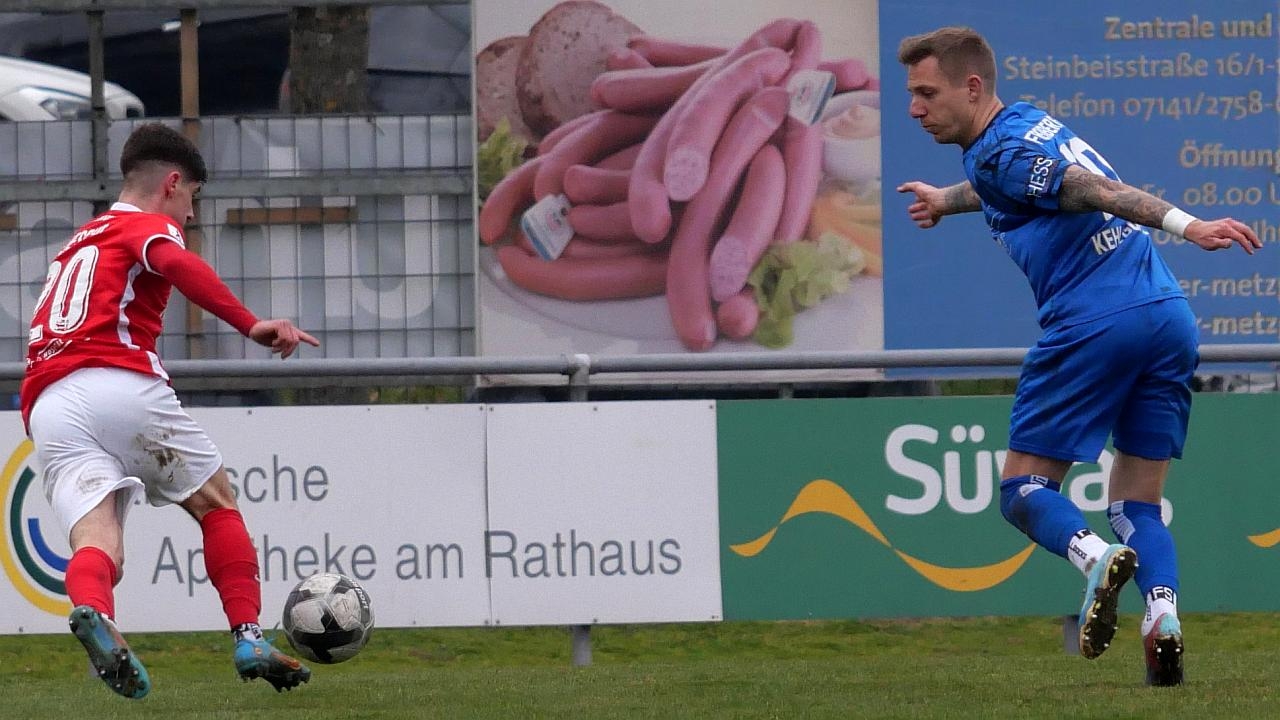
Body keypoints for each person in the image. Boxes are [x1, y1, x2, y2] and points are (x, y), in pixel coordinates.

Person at [894, 27, 1261, 686]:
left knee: (1022, 490)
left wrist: (1190, 225)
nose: (915, 109)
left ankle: (1094, 558)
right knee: (1137, 506)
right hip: (1167, 316)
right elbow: (1009, 186)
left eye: (926, 93)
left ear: (971, 87)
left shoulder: (1001, 152)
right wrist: (945, 201)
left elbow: (1093, 190)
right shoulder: (1022, 127)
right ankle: (1163, 617)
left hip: (1097, 322)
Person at [21, 123, 321, 698]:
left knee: (98, 544)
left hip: (49, 402)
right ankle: (249, 635)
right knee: (216, 503)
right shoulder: (147, 225)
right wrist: (250, 324)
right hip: (118, 381)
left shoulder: (77, 242)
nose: (189, 215)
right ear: (173, 183)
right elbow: (179, 266)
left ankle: (95, 611)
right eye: (193, 199)